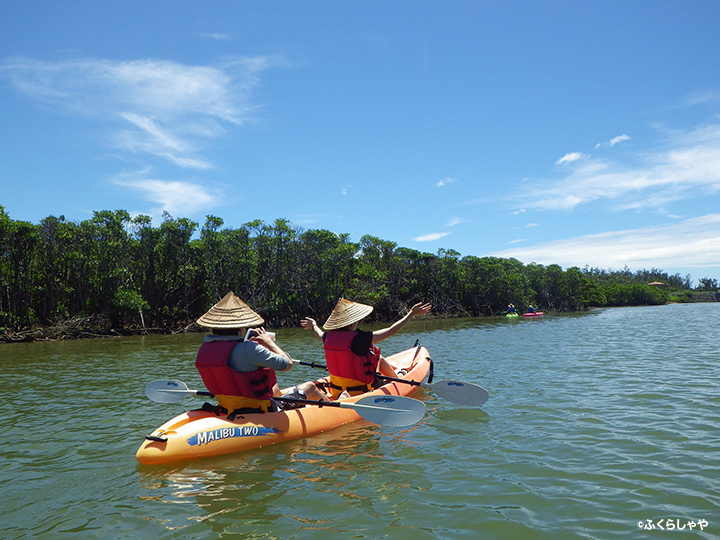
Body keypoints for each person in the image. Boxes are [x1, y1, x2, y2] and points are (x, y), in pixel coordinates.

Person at [195, 291, 328, 416]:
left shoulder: (205, 348)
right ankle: (335, 408)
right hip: (261, 412)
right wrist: (269, 343)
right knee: (310, 387)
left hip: (227, 408)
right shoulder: (249, 349)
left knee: (274, 384)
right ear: (241, 329)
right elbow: (287, 364)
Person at [300, 298, 432, 399]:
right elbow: (391, 331)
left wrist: (313, 325)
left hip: (335, 390)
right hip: (359, 392)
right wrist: (411, 314)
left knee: (375, 356)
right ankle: (396, 379)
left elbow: (319, 333)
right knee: (376, 356)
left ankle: (394, 378)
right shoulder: (359, 339)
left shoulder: (328, 337)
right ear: (353, 322)